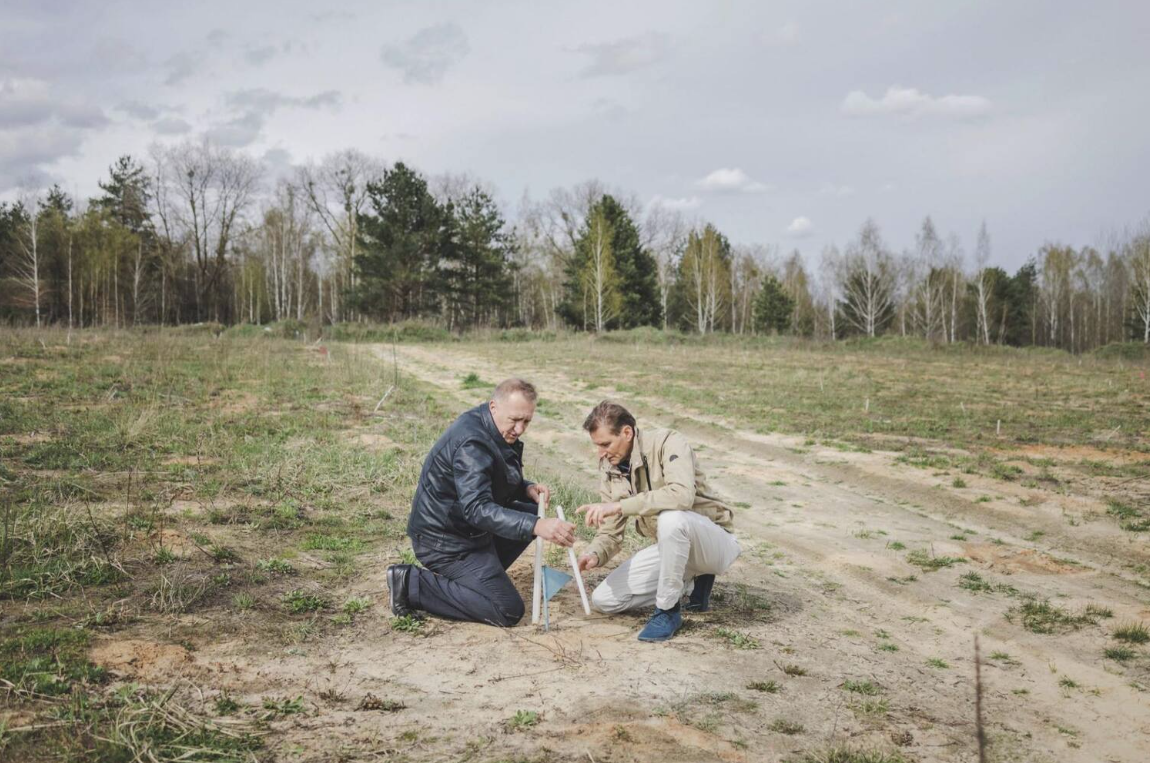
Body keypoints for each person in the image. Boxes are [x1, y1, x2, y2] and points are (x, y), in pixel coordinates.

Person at [387, 378, 575, 627]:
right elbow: (477, 508)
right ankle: (411, 582)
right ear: (494, 407)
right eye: (514, 420)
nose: (520, 429)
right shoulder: (472, 444)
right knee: (507, 609)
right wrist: (536, 525)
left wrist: (525, 487)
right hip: (445, 542)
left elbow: (489, 476)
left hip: (465, 529)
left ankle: (480, 579)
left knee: (531, 513)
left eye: (526, 421)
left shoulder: (490, 425)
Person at [576, 401, 739, 642]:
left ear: (627, 432)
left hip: (713, 542)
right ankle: (691, 584)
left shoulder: (668, 442)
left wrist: (619, 505)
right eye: (596, 445)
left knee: (671, 518)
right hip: (672, 546)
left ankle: (667, 611)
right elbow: (611, 531)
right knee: (605, 600)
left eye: (605, 444)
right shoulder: (609, 466)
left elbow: (681, 495)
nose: (600, 453)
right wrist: (595, 554)